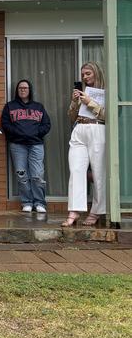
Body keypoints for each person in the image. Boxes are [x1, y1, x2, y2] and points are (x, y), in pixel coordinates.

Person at [63, 61, 106, 227]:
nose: (85, 77)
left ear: (96, 73)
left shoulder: (106, 92)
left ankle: (96, 211)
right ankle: (74, 211)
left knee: (98, 172)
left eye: (88, 73)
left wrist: (90, 102)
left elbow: (107, 115)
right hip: (79, 129)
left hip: (97, 129)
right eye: (83, 74)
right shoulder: (82, 92)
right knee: (76, 170)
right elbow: (72, 117)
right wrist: (75, 102)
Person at [1, 79, 51, 213]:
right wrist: (18, 133)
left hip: (36, 145)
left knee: (37, 175)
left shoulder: (38, 107)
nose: (23, 90)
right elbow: (5, 124)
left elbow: (46, 125)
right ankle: (27, 202)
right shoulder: (10, 106)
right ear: (17, 90)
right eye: (20, 88)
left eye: (25, 88)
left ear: (30, 90)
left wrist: (36, 133)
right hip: (18, 145)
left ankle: (40, 202)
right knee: (22, 175)